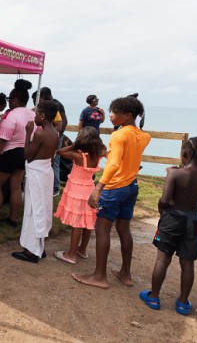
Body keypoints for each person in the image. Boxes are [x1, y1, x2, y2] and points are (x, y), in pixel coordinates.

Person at [72, 96, 151, 289]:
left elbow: (114, 164)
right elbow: (127, 157)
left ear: (128, 115)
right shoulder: (144, 136)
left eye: (115, 112)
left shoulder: (118, 135)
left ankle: (99, 276)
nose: (111, 115)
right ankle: (126, 273)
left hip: (114, 187)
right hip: (131, 186)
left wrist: (98, 188)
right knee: (124, 229)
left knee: (102, 229)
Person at [139, 137, 197, 315]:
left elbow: (164, 201)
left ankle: (154, 297)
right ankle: (182, 302)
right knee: (188, 263)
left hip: (172, 220)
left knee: (163, 259)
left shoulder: (175, 174)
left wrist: (170, 176)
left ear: (185, 153)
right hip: (193, 221)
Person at [0, 79, 35, 228]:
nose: (8, 102)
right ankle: (13, 219)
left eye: (10, 99)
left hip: (9, 153)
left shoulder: (11, 116)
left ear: (15, 99)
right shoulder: (32, 115)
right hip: (24, 153)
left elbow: (2, 140)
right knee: (16, 186)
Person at [12, 100, 59, 263]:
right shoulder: (55, 133)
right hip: (46, 172)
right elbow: (51, 157)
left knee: (33, 209)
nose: (35, 117)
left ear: (43, 116)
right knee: (42, 208)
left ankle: (32, 251)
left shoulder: (40, 134)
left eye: (37, 114)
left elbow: (27, 155)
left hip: (37, 173)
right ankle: (39, 246)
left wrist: (28, 133)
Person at [53, 127, 105, 264]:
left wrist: (73, 145)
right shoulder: (98, 155)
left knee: (77, 223)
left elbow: (59, 152)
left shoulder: (78, 156)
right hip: (90, 190)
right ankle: (82, 249)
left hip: (77, 191)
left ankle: (71, 255)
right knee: (88, 222)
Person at [38, 87, 68, 196]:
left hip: (56, 136)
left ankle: (55, 187)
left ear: (45, 96)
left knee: (55, 161)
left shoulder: (55, 105)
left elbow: (63, 121)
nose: (40, 100)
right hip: (55, 135)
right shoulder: (56, 103)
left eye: (41, 97)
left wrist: (59, 136)